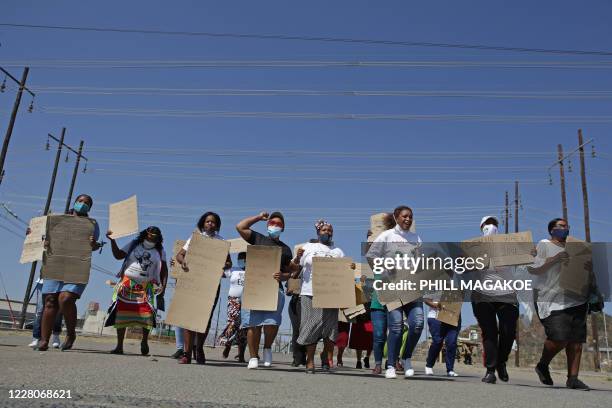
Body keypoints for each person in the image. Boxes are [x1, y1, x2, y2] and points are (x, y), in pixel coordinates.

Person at [528, 218, 594, 390]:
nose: (565, 229)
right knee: (560, 337)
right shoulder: (544, 244)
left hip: (576, 298)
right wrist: (555, 259)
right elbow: (534, 269)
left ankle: (573, 378)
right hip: (552, 299)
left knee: (576, 341)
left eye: (567, 227)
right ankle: (543, 364)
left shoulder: (577, 249)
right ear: (552, 230)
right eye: (561, 226)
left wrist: (587, 267)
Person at [36, 194, 101, 351]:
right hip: (56, 263)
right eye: (80, 201)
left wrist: (93, 244)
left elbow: (93, 245)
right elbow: (43, 238)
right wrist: (39, 238)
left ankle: (71, 333)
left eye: (86, 203)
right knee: (50, 300)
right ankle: (44, 340)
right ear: (75, 203)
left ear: (90, 208)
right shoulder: (59, 220)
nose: (82, 204)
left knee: (65, 299)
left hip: (77, 266)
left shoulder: (92, 224)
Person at [366, 206, 424, 379]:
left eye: (411, 216)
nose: (408, 219)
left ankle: (406, 357)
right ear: (396, 217)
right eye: (405, 216)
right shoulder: (387, 236)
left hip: (411, 287)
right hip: (392, 287)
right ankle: (390, 364)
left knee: (418, 322)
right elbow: (371, 256)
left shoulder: (416, 238)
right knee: (396, 326)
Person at [236, 211, 296, 369]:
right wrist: (258, 217)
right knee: (253, 324)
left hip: (275, 289)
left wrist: (283, 276)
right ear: (267, 225)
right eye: (272, 223)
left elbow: (291, 272)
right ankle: (253, 356)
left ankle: (267, 347)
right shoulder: (258, 238)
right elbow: (240, 227)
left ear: (283, 228)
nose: (275, 226)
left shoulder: (286, 249)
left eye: (278, 224)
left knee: (272, 323)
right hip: (255, 287)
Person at [295, 219, 350, 373]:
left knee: (330, 330)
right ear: (318, 232)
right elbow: (295, 268)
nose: (328, 232)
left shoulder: (338, 251)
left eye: (330, 230)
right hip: (310, 292)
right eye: (325, 230)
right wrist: (297, 257)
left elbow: (343, 272)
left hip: (330, 295)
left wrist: (349, 267)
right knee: (311, 326)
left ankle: (325, 356)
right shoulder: (308, 247)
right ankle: (310, 361)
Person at [176, 211, 230, 364]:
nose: (210, 224)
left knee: (205, 319)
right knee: (189, 318)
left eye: (213, 222)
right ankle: (186, 353)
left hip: (211, 284)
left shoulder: (221, 241)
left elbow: (229, 263)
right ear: (203, 223)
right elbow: (180, 255)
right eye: (207, 221)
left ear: (217, 225)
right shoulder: (195, 238)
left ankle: (198, 348)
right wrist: (183, 262)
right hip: (193, 282)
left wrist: (224, 264)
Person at [471, 216, 518, 384]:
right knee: (490, 333)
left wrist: (530, 253)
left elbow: (525, 260)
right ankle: (490, 370)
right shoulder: (474, 247)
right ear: (481, 227)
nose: (491, 226)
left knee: (508, 332)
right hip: (483, 294)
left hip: (507, 293)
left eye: (494, 223)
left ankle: (501, 362)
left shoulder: (509, 245)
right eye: (487, 224)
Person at [105, 226, 168, 355]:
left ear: (159, 236)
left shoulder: (160, 251)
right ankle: (119, 346)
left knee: (147, 314)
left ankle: (144, 341)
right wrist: (112, 240)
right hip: (127, 283)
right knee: (121, 313)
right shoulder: (134, 244)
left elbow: (164, 270)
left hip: (146, 286)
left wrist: (163, 287)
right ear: (145, 233)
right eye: (150, 231)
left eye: (156, 233)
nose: (152, 234)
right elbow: (118, 255)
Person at [218, 251, 247, 363]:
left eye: (244, 258)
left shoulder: (253, 272)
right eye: (240, 258)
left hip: (247, 302)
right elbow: (220, 273)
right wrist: (223, 263)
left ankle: (241, 354)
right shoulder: (233, 270)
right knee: (232, 322)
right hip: (233, 300)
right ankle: (228, 344)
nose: (242, 260)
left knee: (244, 327)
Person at [423, 294, 461, 377]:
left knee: (452, 342)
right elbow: (426, 299)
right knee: (437, 342)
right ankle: (429, 365)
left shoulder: (458, 283)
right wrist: (436, 305)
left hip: (453, 317)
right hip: (435, 317)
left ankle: (450, 369)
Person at [29, 278, 63, 349]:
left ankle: (55, 335)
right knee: (39, 311)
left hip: (60, 282)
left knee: (57, 312)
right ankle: (36, 338)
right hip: (43, 282)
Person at [286, 258, 307, 367]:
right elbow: (288, 292)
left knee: (307, 330)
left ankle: (304, 357)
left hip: (308, 303)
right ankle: (297, 358)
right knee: (297, 330)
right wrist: (298, 270)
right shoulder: (296, 271)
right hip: (295, 303)